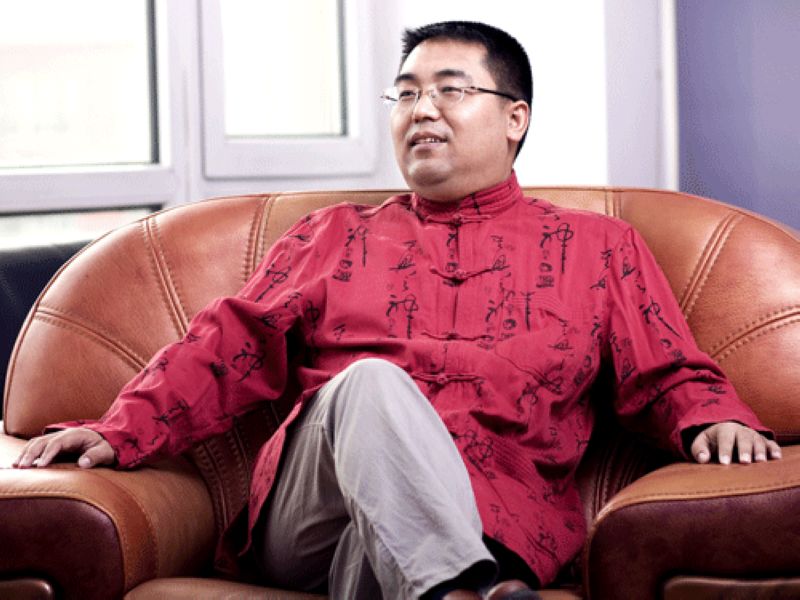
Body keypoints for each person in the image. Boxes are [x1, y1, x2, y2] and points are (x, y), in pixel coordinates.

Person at [14, 21, 780, 600]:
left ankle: (446, 585)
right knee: (372, 385)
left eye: (450, 89)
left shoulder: (596, 248)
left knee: (376, 554)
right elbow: (226, 348)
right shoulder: (334, 236)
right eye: (406, 93)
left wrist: (713, 418)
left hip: (496, 520)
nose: (421, 109)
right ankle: (464, 590)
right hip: (311, 516)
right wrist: (118, 430)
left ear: (515, 118)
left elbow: (664, 367)